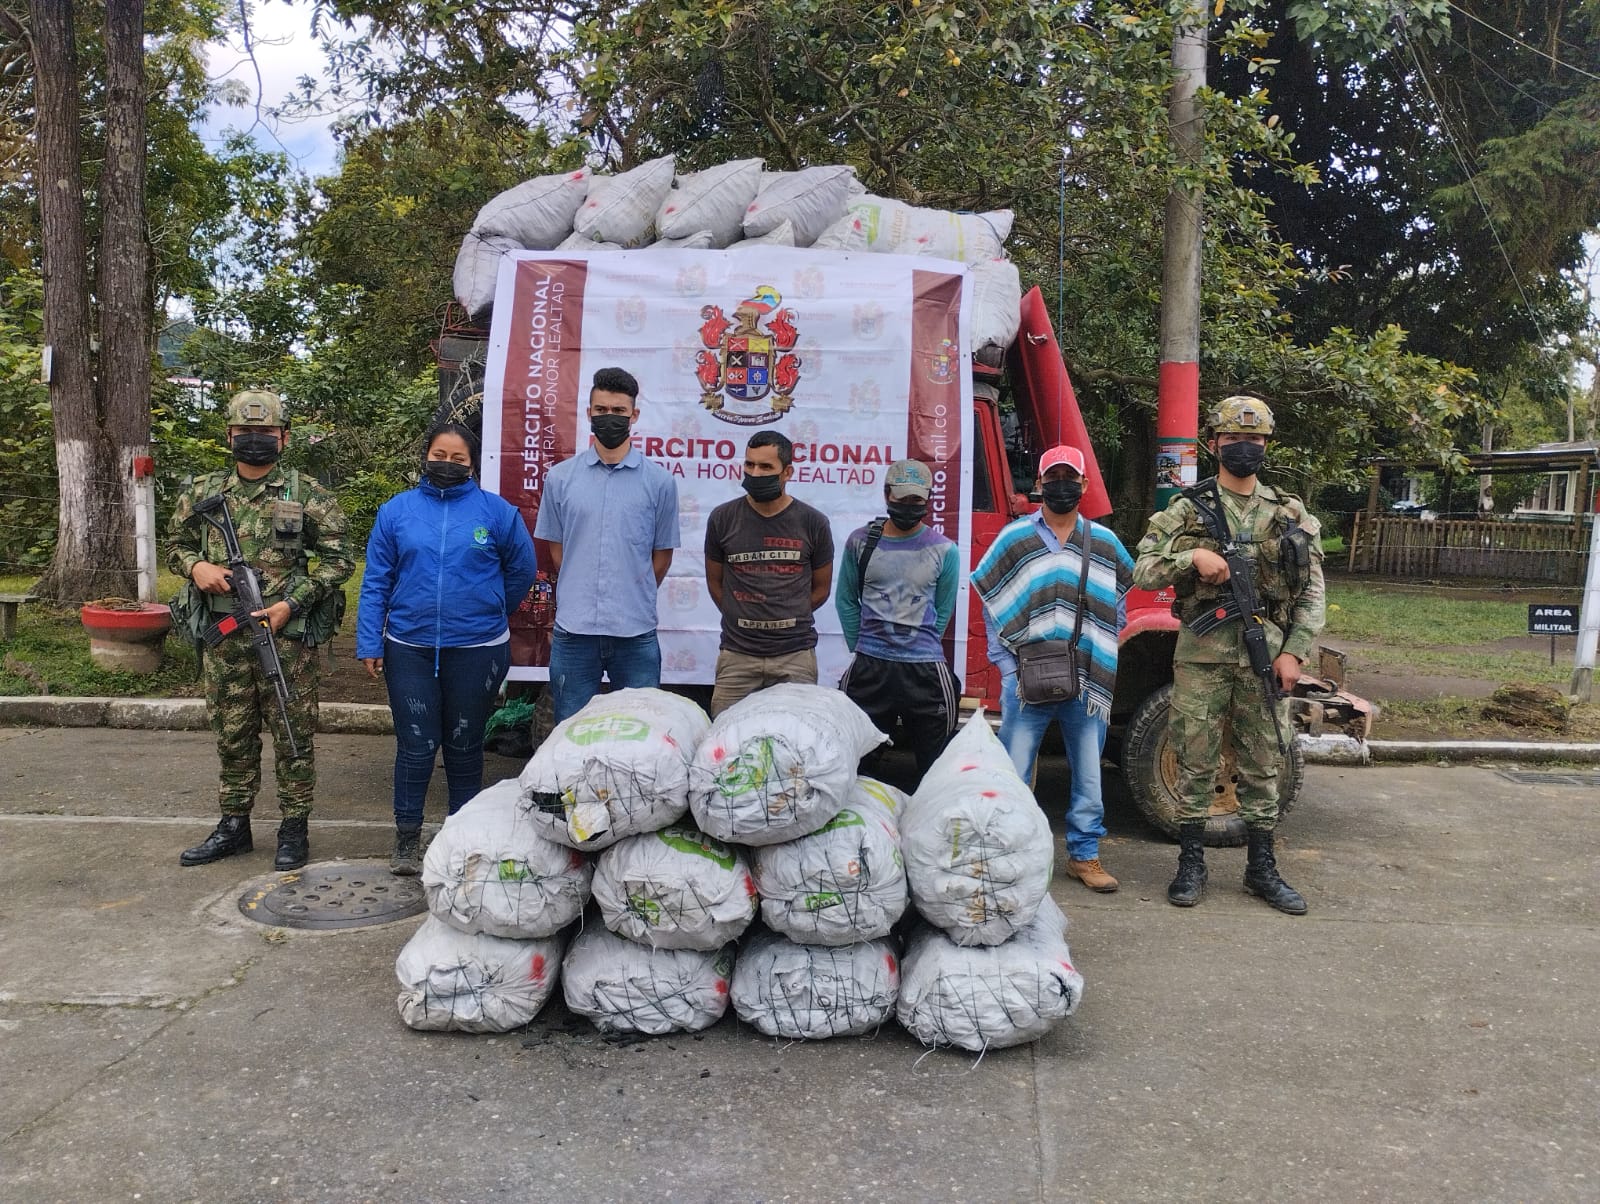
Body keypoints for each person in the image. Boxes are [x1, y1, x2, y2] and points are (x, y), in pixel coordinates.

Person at [1132, 395, 1325, 915]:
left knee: (1264, 760)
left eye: (1256, 440)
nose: (1247, 448)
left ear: (1267, 445)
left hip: (1267, 657)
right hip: (1203, 655)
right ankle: (1190, 862)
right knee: (1194, 758)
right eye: (1236, 439)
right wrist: (1190, 557)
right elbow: (1143, 568)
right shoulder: (1187, 509)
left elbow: (1312, 592)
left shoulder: (1289, 513)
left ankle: (1261, 868)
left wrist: (1296, 654)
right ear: (1214, 443)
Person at [168, 389, 353, 871]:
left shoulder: (307, 494)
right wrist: (195, 567)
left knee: (293, 732)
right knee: (233, 733)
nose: (255, 441)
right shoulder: (203, 492)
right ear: (229, 436)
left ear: (283, 437)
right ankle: (234, 825)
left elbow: (339, 561)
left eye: (265, 433)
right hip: (225, 635)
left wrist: (292, 604)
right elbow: (175, 544)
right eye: (245, 433)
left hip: (285, 640)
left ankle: (294, 827)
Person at [357, 422, 538, 875]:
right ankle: (406, 839)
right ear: (425, 456)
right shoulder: (396, 513)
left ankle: (463, 834)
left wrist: (489, 607)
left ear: (473, 463)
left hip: (477, 649)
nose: (447, 465)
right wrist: (368, 640)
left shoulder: (496, 514)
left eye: (458, 459)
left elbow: (521, 571)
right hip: (409, 647)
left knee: (464, 744)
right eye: (440, 455)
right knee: (416, 745)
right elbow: (376, 580)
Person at [973, 444, 1133, 893]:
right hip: (1026, 679)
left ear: (1084, 484)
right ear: (1039, 484)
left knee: (1088, 771)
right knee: (1014, 771)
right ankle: (1009, 853)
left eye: (1071, 477)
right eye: (1053, 477)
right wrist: (1005, 665)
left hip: (1086, 678)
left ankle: (1084, 856)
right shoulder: (1016, 538)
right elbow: (991, 598)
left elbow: (1120, 597)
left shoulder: (1102, 542)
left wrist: (1101, 642)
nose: (1062, 484)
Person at [534, 367, 680, 723]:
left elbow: (661, 557)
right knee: (569, 731)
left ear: (634, 415)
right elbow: (558, 553)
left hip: (635, 633)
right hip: (575, 631)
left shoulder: (660, 483)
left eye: (618, 411)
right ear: (588, 413)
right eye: (601, 410)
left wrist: (632, 590)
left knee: (639, 733)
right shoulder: (561, 479)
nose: (609, 418)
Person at [835, 459, 962, 788]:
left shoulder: (945, 550)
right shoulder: (860, 542)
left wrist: (919, 646)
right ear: (886, 494)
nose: (909, 506)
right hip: (870, 669)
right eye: (902, 498)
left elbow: (943, 610)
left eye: (916, 500)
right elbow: (846, 599)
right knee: (855, 761)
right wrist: (861, 646)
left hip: (926, 671)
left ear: (928, 499)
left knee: (935, 767)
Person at [704, 431, 835, 716]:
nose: (755, 473)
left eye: (765, 467)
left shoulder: (813, 523)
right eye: (749, 465)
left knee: (796, 743)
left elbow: (821, 589)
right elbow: (715, 583)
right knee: (724, 744)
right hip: (737, 656)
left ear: (787, 472)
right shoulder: (721, 519)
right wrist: (739, 615)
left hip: (794, 656)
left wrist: (785, 614)